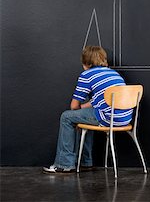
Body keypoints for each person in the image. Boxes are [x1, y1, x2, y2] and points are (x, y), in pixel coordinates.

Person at [43, 46, 133, 174]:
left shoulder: (87, 75)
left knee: (66, 117)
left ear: (86, 62)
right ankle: (86, 162)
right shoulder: (113, 73)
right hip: (124, 118)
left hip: (107, 118)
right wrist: (80, 111)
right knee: (84, 117)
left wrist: (77, 111)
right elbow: (100, 101)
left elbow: (74, 106)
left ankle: (64, 164)